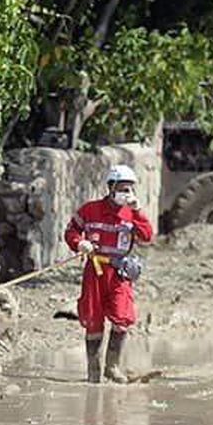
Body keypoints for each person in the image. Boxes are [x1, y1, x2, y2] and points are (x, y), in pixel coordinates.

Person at [63, 164, 154, 384]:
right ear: (111, 188)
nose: (127, 193)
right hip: (95, 272)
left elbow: (147, 236)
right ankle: (93, 372)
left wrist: (138, 211)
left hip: (119, 273)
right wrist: (79, 243)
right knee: (93, 319)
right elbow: (71, 231)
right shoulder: (90, 210)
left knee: (122, 318)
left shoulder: (132, 213)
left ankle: (112, 367)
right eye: (122, 188)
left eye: (130, 189)